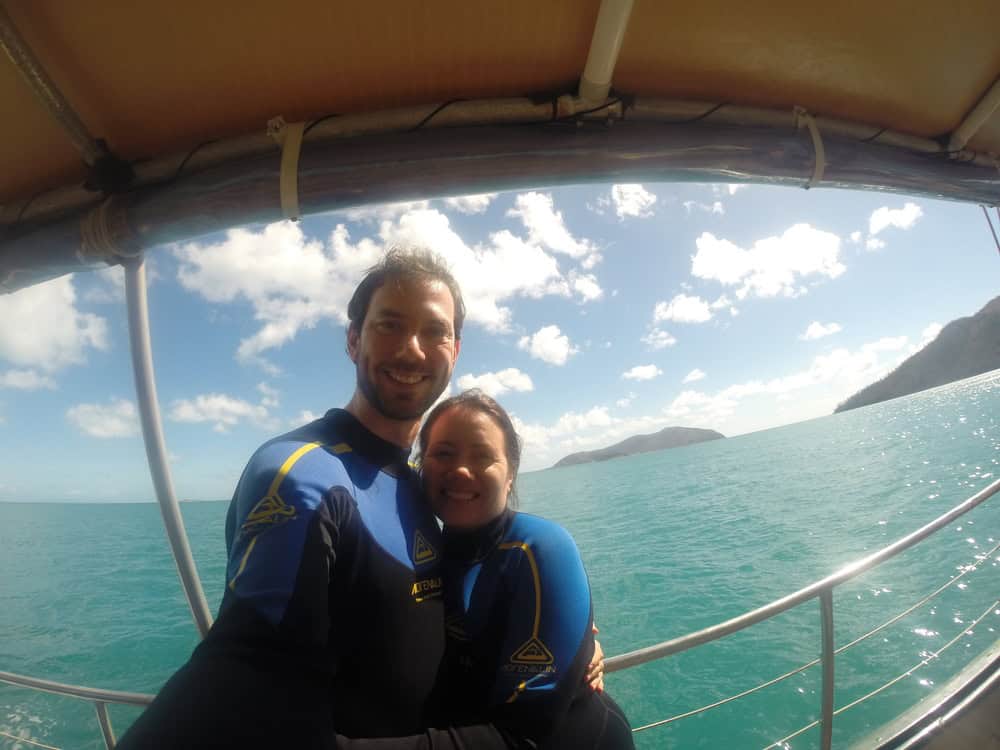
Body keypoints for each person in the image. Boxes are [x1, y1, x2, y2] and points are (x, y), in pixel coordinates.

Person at [118, 248, 607, 749]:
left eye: (434, 331)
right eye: (389, 325)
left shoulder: (421, 480)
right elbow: (244, 666)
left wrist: (571, 636)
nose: (412, 350)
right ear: (353, 340)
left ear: (455, 351)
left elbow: (484, 570)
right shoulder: (304, 476)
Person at [420, 390, 634, 749]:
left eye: (483, 456)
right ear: (421, 466)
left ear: (510, 475)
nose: (459, 468)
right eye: (443, 453)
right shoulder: (425, 551)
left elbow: (526, 731)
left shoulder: (539, 548)